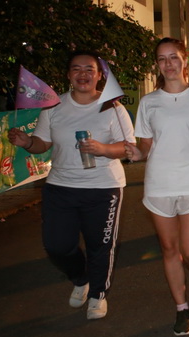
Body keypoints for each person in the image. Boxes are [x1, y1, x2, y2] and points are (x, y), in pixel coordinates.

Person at [7, 51, 134, 320]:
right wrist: (27, 142)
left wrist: (102, 149)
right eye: (76, 69)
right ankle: (80, 278)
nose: (83, 74)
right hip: (60, 187)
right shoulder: (53, 106)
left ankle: (97, 294)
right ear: (68, 75)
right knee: (57, 246)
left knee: (100, 246)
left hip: (103, 188)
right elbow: (42, 143)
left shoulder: (113, 108)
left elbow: (128, 147)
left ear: (99, 76)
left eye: (89, 69)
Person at [125, 37, 189, 336]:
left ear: (185, 60)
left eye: (173, 57)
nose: (168, 64)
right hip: (159, 184)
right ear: (157, 64)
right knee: (169, 249)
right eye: (162, 58)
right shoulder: (149, 102)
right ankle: (182, 309)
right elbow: (146, 144)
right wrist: (138, 153)